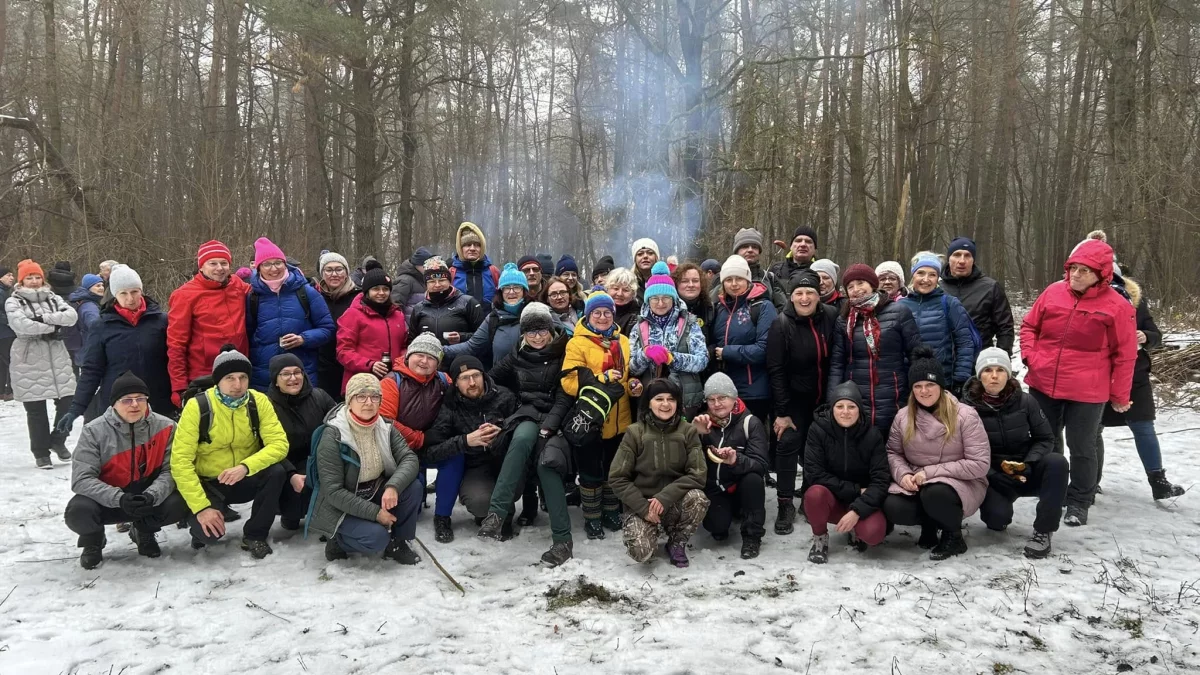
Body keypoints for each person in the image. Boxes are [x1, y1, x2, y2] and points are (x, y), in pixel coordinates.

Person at [1020, 238, 1137, 526]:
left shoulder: (1117, 306)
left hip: (1088, 389)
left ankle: (1080, 500)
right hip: (1044, 381)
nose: (1076, 275)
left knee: (1082, 445)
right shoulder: (1052, 293)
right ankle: (1054, 491)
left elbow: (1126, 354)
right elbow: (1029, 326)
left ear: (1102, 274)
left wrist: (1120, 395)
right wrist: (1030, 357)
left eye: (1085, 270)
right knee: (1047, 440)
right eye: (1073, 268)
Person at [477, 303, 575, 565]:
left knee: (547, 465)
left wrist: (550, 426)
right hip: (528, 414)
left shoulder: (566, 351)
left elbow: (566, 397)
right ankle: (496, 515)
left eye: (542, 330)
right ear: (523, 334)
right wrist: (498, 403)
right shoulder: (518, 354)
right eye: (531, 332)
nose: (537, 337)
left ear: (551, 328)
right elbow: (491, 380)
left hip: (558, 418)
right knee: (519, 440)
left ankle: (563, 540)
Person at [171, 346, 290, 558]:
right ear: (218, 380)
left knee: (277, 471)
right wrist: (201, 508)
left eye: (243, 377)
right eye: (230, 378)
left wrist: (246, 467)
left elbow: (279, 444)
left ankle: (255, 535)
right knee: (208, 536)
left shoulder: (258, 401)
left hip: (243, 476)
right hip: (210, 483)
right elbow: (180, 462)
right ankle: (199, 525)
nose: (237, 385)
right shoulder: (197, 406)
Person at [64, 371, 189, 569]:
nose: (134, 404)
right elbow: (82, 479)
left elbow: (171, 470)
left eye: (141, 398)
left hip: (146, 499)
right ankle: (93, 541)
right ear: (113, 404)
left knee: (179, 502)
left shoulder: (166, 427)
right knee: (78, 511)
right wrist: (118, 498)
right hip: (109, 500)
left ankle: (144, 531)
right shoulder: (94, 431)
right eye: (126, 400)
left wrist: (152, 495)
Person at [883, 347, 990, 560]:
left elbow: (979, 463)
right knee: (893, 506)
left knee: (935, 493)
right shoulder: (903, 417)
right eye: (918, 386)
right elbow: (893, 452)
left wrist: (930, 473)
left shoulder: (966, 416)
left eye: (930, 384)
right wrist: (903, 475)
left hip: (960, 482)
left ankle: (953, 536)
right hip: (917, 479)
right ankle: (929, 525)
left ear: (940, 386)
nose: (924, 391)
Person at [306, 373, 424, 563]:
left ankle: (398, 542)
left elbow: (409, 458)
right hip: (341, 502)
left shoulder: (385, 426)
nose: (368, 402)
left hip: (374, 488)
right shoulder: (334, 435)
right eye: (361, 396)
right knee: (376, 538)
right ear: (349, 401)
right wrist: (376, 513)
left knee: (413, 487)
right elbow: (333, 492)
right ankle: (338, 541)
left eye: (374, 396)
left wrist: (393, 486)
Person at [961, 348, 1065, 559]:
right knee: (997, 521)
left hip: (1027, 468)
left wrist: (1030, 462)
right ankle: (998, 508)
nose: (994, 375)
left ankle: (1044, 530)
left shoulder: (1026, 401)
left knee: (1057, 463)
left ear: (1008, 374)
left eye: (1000, 370)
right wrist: (992, 475)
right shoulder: (966, 408)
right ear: (979, 374)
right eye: (988, 370)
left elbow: (1046, 438)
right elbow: (962, 451)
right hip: (992, 475)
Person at [1096, 261, 1185, 500]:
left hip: (1135, 374)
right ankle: (1089, 482)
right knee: (1093, 429)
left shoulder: (1136, 301)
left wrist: (1146, 336)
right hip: (1097, 374)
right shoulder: (1086, 301)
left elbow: (1156, 335)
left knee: (1143, 425)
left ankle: (1158, 481)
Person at [59, 265, 173, 434]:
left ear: (141, 291)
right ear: (114, 294)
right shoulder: (102, 326)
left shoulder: (162, 321)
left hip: (158, 401)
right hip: (119, 404)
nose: (130, 299)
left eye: (134, 292)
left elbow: (176, 360)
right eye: (123, 293)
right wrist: (76, 409)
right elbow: (92, 370)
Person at [766, 270, 838, 534]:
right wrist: (782, 412)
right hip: (793, 398)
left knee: (816, 449)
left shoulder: (830, 317)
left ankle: (809, 496)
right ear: (791, 296)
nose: (805, 298)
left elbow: (837, 357)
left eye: (810, 293)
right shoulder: (781, 323)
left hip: (824, 398)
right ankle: (785, 502)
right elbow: (776, 370)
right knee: (787, 444)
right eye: (799, 293)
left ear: (819, 296)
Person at [609, 378, 709, 567]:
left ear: (678, 403)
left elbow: (698, 474)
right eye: (659, 399)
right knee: (642, 553)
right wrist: (643, 508)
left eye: (671, 399)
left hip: (673, 502)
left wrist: (664, 498)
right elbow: (617, 478)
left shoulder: (688, 432)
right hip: (642, 503)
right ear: (649, 402)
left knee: (698, 498)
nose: (665, 404)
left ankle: (677, 541)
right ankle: (649, 530)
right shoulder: (634, 433)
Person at [563, 289, 638, 539]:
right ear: (588, 315)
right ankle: (592, 518)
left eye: (607, 312)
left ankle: (610, 511)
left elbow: (626, 378)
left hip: (619, 419)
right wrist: (600, 378)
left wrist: (633, 386)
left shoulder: (623, 341)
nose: (603, 317)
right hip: (591, 420)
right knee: (590, 472)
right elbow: (569, 381)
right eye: (597, 312)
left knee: (612, 470)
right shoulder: (577, 342)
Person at [420, 355, 518, 542]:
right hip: (475, 466)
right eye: (464, 378)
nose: (472, 382)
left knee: (518, 479)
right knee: (480, 502)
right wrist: (465, 441)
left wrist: (503, 432)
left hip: (506, 461)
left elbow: (524, 428)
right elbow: (431, 452)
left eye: (476, 376)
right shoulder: (450, 406)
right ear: (455, 383)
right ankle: (487, 511)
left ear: (484, 375)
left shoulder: (505, 396)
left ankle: (506, 511)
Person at [829, 263, 922, 433]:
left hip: (893, 394)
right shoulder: (843, 320)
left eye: (860, 283)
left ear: (872, 284)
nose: (856, 289)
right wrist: (832, 399)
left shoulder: (899, 312)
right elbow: (837, 363)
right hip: (856, 396)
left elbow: (917, 353)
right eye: (850, 286)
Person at [802, 382, 890, 563]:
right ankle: (820, 538)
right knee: (814, 493)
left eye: (851, 406)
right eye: (839, 406)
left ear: (859, 410)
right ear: (832, 408)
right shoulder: (818, 430)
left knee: (874, 534)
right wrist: (856, 489)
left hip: (861, 502)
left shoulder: (872, 435)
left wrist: (857, 510)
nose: (845, 411)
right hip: (831, 498)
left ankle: (855, 530)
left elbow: (881, 480)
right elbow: (814, 473)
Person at [6, 259, 78, 468]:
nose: (35, 281)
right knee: (36, 409)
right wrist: (53, 326)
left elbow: (71, 316)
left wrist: (43, 319)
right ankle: (40, 452)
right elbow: (21, 325)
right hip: (28, 357)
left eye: (37, 277)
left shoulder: (53, 297)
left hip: (57, 356)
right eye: (30, 277)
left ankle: (58, 440)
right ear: (22, 280)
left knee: (68, 401)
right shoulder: (14, 301)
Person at [378, 332, 452, 525]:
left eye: (431, 357)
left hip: (433, 442)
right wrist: (419, 438)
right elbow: (385, 421)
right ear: (409, 356)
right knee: (413, 504)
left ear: (438, 363)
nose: (424, 361)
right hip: (401, 448)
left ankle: (443, 515)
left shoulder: (444, 380)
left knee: (455, 457)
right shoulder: (392, 382)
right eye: (420, 355)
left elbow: (456, 409)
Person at [692, 373, 768, 559]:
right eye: (712, 399)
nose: (717, 404)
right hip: (716, 487)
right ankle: (727, 514)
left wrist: (736, 460)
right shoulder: (701, 422)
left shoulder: (750, 423)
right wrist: (695, 436)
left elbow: (761, 464)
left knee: (753, 480)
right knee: (716, 528)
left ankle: (752, 536)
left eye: (722, 398)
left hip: (741, 484)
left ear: (734, 398)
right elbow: (686, 462)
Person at [167, 240, 251, 408]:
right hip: (204, 375)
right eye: (213, 263)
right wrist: (179, 387)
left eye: (224, 263)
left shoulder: (237, 285)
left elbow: (265, 288)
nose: (219, 268)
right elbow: (176, 344)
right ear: (201, 267)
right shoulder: (184, 295)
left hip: (238, 373)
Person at [246, 237, 335, 391]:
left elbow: (327, 328)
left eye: (278, 263)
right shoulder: (252, 296)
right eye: (267, 264)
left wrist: (303, 339)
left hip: (302, 372)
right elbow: (247, 334)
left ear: (285, 263)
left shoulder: (306, 292)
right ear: (258, 268)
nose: (274, 269)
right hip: (264, 375)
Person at [266, 353, 336, 530]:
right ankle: (290, 514)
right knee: (292, 509)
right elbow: (265, 446)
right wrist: (291, 474)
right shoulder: (266, 405)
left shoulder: (319, 396)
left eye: (298, 372)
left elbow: (339, 420)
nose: (293, 378)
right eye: (286, 374)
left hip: (317, 458)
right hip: (286, 463)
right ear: (275, 379)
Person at [628, 262, 708, 416]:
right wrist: (645, 354)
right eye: (654, 298)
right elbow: (631, 368)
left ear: (674, 298)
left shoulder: (689, 323)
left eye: (666, 297)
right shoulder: (638, 327)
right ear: (647, 300)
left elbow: (702, 360)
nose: (660, 303)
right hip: (651, 402)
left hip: (685, 401)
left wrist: (672, 358)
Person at [712, 255, 777, 426]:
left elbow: (764, 349)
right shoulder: (719, 309)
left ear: (748, 280)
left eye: (739, 278)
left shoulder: (762, 307)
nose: (734, 284)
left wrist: (726, 352)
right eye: (729, 279)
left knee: (753, 441)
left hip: (754, 391)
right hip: (725, 391)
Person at [899, 256, 977, 397]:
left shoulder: (949, 303)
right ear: (913, 276)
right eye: (921, 273)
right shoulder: (900, 306)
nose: (926, 279)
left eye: (932, 275)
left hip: (941, 380)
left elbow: (964, 342)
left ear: (938, 279)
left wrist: (960, 378)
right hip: (907, 382)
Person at [336, 265, 408, 392]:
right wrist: (369, 364)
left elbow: (403, 345)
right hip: (361, 381)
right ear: (367, 291)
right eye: (376, 289)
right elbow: (343, 351)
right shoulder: (353, 314)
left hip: (393, 381)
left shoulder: (398, 315)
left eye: (385, 289)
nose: (381, 293)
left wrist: (401, 362)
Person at [940, 237, 1015, 354]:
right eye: (957, 255)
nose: (962, 260)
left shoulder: (990, 288)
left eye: (967, 255)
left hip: (978, 362)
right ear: (949, 258)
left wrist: (1001, 360)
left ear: (973, 260)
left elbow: (1005, 328)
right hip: (943, 361)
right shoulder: (936, 287)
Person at [445, 262, 527, 369]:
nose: (511, 292)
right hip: (502, 381)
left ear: (524, 290)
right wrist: (439, 350)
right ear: (500, 292)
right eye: (506, 288)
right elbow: (471, 347)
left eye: (517, 287)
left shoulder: (538, 312)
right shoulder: (493, 318)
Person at [408, 256, 486, 352]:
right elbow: (411, 340)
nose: (437, 285)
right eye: (432, 281)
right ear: (426, 284)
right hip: (429, 362)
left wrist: (462, 337)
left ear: (449, 281)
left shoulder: (468, 303)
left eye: (441, 280)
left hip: (460, 359)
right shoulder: (418, 308)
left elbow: (483, 337)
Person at [314, 251, 361, 398]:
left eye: (339, 269)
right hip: (321, 365)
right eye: (329, 270)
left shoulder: (359, 297)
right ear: (322, 273)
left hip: (351, 364)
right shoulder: (314, 296)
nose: (334, 274)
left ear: (346, 272)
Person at [732, 228, 787, 310]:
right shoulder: (725, 278)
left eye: (754, 247)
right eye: (745, 246)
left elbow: (784, 309)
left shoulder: (770, 278)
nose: (750, 250)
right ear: (737, 251)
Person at [450, 222, 501, 304]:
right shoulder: (451, 273)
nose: (472, 248)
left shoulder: (493, 272)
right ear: (460, 248)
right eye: (468, 245)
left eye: (477, 245)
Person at [47, 261, 85, 371]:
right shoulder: (74, 287)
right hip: (71, 327)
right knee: (72, 363)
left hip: (54, 326)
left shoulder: (49, 286)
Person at [768, 226, 818, 291]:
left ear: (815, 249)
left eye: (808, 241)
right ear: (791, 247)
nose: (803, 244)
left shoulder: (820, 272)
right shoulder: (776, 269)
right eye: (798, 241)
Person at [391, 246, 434, 321]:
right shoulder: (405, 280)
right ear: (418, 264)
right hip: (409, 327)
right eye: (426, 265)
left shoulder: (423, 279)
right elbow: (396, 305)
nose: (429, 268)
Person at [68, 273, 105, 358]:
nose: (101, 288)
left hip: (84, 350)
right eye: (97, 286)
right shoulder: (89, 307)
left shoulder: (84, 300)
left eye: (102, 285)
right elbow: (96, 326)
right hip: (90, 352)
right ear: (89, 288)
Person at [603, 267, 641, 338]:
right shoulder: (599, 311)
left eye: (626, 290)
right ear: (607, 289)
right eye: (615, 288)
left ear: (633, 293)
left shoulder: (636, 318)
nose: (620, 294)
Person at [0, 266, 15, 400]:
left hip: (4, 333)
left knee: (3, 363)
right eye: (8, 275)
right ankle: (10, 390)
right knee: (11, 361)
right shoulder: (1, 292)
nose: (12, 278)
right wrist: (11, 321)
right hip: (5, 333)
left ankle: (2, 391)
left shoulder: (4, 291)